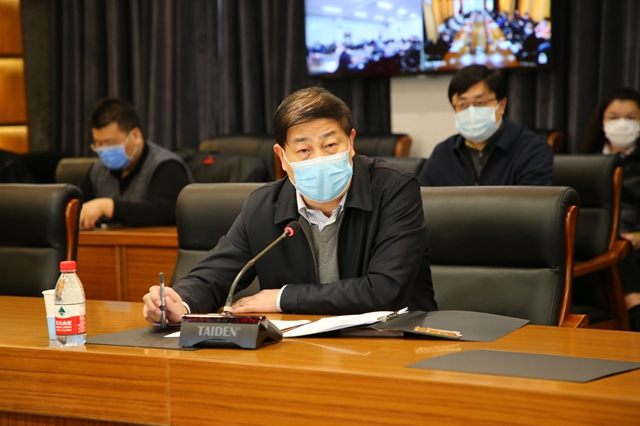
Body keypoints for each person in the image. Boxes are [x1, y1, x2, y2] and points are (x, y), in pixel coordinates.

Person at [143, 86, 437, 323]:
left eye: (330, 145)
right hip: (301, 350)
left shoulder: (393, 187)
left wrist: (283, 298)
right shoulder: (264, 205)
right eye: (303, 150)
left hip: (395, 342)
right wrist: (179, 301)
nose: (319, 158)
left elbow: (385, 289)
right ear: (282, 157)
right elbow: (215, 274)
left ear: (351, 142)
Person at [418, 65, 553, 186]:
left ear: (502, 105)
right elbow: (420, 199)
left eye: (480, 102)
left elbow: (532, 204)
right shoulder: (443, 153)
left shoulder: (533, 150)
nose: (471, 111)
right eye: (462, 104)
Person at [79, 98, 192, 229]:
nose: (105, 150)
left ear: (136, 135)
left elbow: (165, 213)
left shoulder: (167, 166)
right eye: (99, 144)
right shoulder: (98, 170)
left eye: (110, 143)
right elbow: (77, 207)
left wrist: (108, 207)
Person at [581, 87, 640, 331]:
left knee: (622, 247)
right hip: (598, 241)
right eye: (614, 117)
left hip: (634, 241)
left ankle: (635, 311)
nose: (622, 124)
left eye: (631, 117)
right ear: (602, 122)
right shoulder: (586, 162)